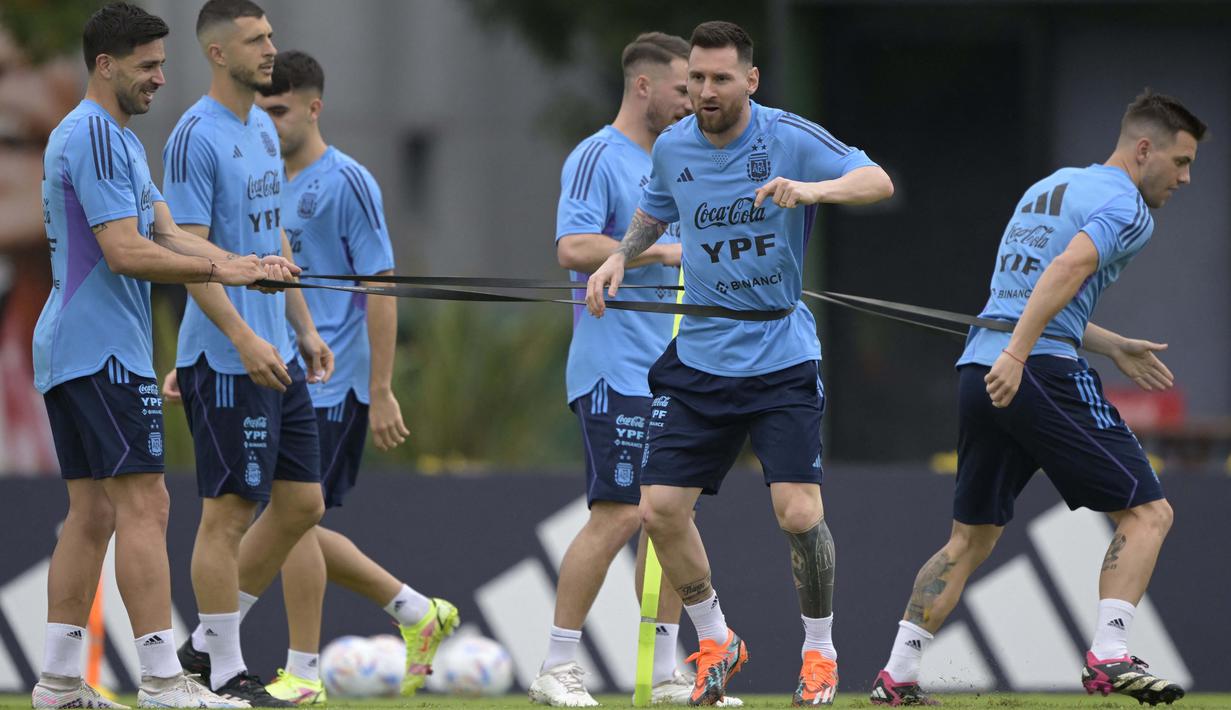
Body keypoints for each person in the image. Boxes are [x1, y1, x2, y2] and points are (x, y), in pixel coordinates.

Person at [586, 20, 894, 707]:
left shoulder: (785, 135)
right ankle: (716, 637)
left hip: (779, 355)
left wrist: (814, 192)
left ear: (748, 81)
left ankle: (819, 654)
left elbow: (873, 180)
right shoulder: (671, 148)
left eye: (719, 78)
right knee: (659, 509)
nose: (704, 90)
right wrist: (617, 255)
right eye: (694, 78)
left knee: (795, 512)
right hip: (699, 359)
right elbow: (653, 216)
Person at [865, 90, 1203, 708]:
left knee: (969, 540)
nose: (1184, 178)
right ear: (1144, 148)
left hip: (979, 367)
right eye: (1180, 163)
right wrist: (1020, 355)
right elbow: (1069, 270)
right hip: (1033, 368)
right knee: (1150, 513)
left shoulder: (1051, 187)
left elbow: (1032, 287)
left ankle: (898, 675)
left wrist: (1108, 343)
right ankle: (1109, 655)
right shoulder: (1128, 206)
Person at [31, 3, 291, 707]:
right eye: (146, 66)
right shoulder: (98, 137)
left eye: (161, 65)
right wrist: (222, 273)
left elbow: (171, 235)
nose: (157, 79)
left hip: (72, 347)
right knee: (146, 505)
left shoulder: (107, 137)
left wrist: (244, 262)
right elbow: (124, 251)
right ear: (105, 65)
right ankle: (162, 680)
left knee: (93, 514)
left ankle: (58, 681)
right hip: (103, 351)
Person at [532, 31, 741, 708]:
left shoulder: (679, 161)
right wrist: (664, 252)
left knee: (666, 516)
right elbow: (571, 246)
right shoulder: (598, 155)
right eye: (684, 88)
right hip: (613, 366)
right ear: (644, 86)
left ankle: (660, 675)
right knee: (619, 516)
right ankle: (557, 666)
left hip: (673, 369)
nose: (696, 100)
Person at [245, 49, 458, 705]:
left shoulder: (348, 181)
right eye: (260, 109)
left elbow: (382, 287)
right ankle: (416, 612)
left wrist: (383, 388)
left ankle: (304, 673)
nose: (268, 122)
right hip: (282, 373)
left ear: (314, 106)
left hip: (335, 380)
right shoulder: (259, 180)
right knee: (290, 522)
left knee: (292, 520)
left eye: (279, 110)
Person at [158, 0, 332, 705]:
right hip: (230, 356)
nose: (270, 50)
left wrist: (304, 326)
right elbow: (187, 254)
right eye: (255, 40)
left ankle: (203, 647)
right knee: (227, 514)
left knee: (301, 506)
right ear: (216, 53)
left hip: (276, 347)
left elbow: (273, 241)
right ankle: (225, 668)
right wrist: (243, 336)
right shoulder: (194, 137)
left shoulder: (262, 126)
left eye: (270, 36)